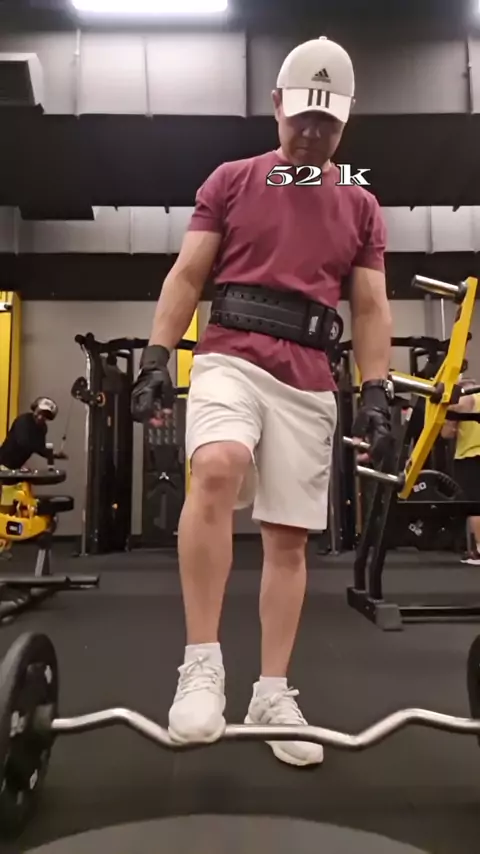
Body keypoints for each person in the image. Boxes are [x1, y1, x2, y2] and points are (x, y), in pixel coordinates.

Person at [131, 36, 393, 766]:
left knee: (287, 537)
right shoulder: (233, 180)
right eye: (302, 115)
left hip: (309, 377)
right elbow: (188, 275)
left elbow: (370, 308)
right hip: (230, 356)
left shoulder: (361, 204)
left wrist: (378, 390)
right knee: (216, 465)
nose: (312, 131)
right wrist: (156, 355)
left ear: (345, 121)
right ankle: (201, 666)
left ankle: (271, 692)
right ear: (276, 105)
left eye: (327, 122)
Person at [0, 397, 66, 553]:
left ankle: (4, 546)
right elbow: (24, 442)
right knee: (3, 509)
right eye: (40, 412)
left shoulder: (42, 429)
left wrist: (53, 455)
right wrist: (45, 451)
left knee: (12, 509)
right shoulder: (23, 421)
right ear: (34, 409)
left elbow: (40, 448)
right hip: (3, 466)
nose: (41, 417)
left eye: (46, 415)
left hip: (16, 470)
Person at [441, 379, 480, 565]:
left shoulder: (466, 398)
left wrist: (444, 407)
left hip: (470, 456)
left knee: (475, 506)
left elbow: (446, 434)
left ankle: (479, 551)